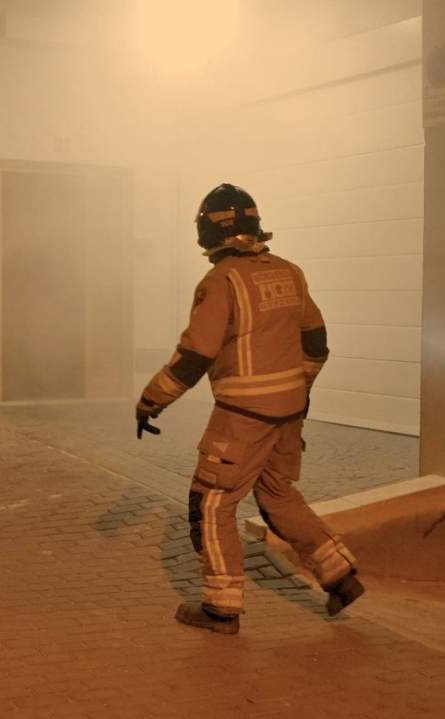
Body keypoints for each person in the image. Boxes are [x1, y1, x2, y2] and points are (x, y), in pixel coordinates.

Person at [136, 183, 363, 635]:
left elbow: (196, 354)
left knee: (213, 502)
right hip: (287, 413)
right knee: (279, 494)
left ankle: (221, 608)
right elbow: (316, 341)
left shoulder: (221, 280)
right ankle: (340, 575)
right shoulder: (289, 273)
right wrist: (300, 388)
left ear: (207, 230)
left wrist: (151, 400)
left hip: (242, 415)